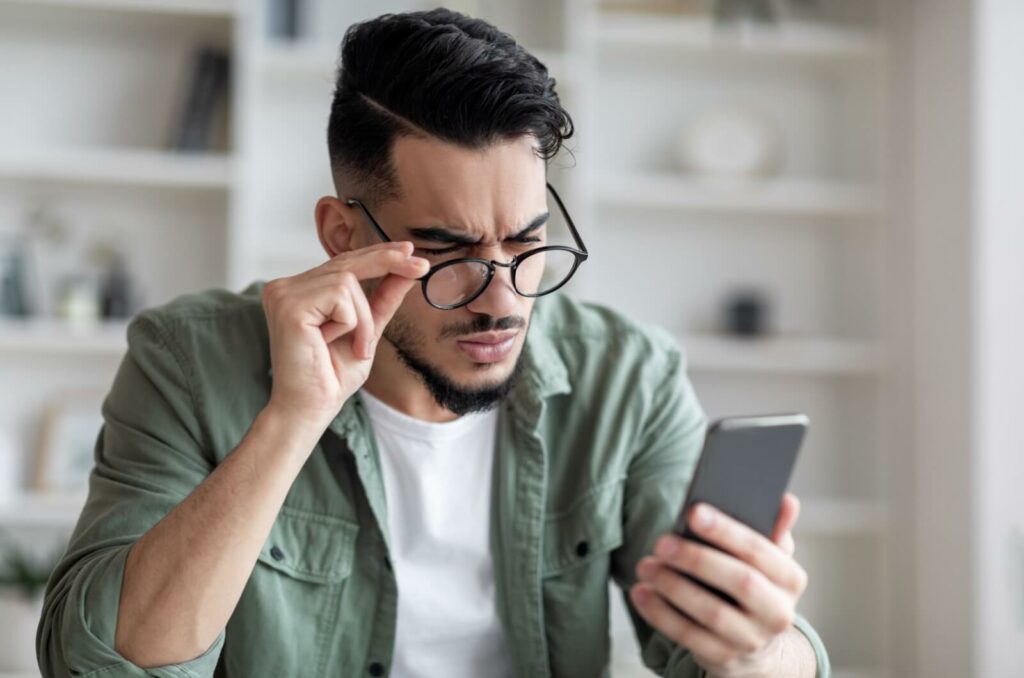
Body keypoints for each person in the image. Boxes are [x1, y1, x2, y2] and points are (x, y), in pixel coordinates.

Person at [37, 8, 829, 678]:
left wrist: (760, 648)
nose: (501, 300)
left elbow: (717, 651)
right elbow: (97, 659)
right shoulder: (187, 360)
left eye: (526, 244)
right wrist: (292, 419)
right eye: (449, 253)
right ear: (343, 235)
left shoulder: (630, 377)